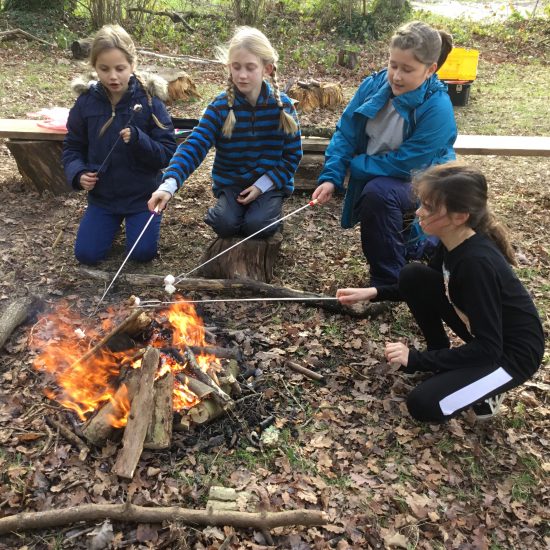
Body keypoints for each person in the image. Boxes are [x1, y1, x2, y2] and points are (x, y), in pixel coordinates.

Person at [338, 163, 544, 423]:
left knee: (423, 405)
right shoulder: (452, 241)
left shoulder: (475, 263)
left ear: (460, 216)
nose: (419, 212)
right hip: (486, 334)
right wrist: (372, 292)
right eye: (421, 203)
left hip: (511, 355)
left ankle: (489, 388)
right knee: (413, 274)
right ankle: (441, 355)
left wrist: (415, 359)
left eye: (429, 207)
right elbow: (424, 283)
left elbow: (489, 349)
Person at [313, 20, 456, 290]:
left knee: (379, 193)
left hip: (427, 181)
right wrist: (331, 176)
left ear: (430, 70)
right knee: (379, 191)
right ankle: (417, 246)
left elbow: (408, 165)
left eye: (407, 69)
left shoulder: (437, 107)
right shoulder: (374, 86)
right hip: (378, 171)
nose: (397, 77)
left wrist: (355, 166)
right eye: (393, 65)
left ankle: (389, 282)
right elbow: (346, 131)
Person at [148, 26, 302, 238]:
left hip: (270, 184)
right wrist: (169, 184)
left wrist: (261, 185)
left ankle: (267, 214)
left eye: (250, 67)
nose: (242, 75)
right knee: (225, 225)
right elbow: (195, 144)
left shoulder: (282, 107)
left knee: (257, 226)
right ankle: (229, 213)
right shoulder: (220, 107)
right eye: (236, 67)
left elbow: (292, 156)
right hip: (232, 184)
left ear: (267, 69)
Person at [63, 24, 176, 265]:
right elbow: (72, 147)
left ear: (133, 65)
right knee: (87, 255)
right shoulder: (86, 103)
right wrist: (78, 173)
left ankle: (140, 224)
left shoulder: (150, 102)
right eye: (104, 69)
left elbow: (166, 153)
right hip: (104, 199)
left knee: (142, 254)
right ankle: (108, 224)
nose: (113, 76)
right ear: (94, 67)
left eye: (120, 68)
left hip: (143, 197)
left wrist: (139, 139)